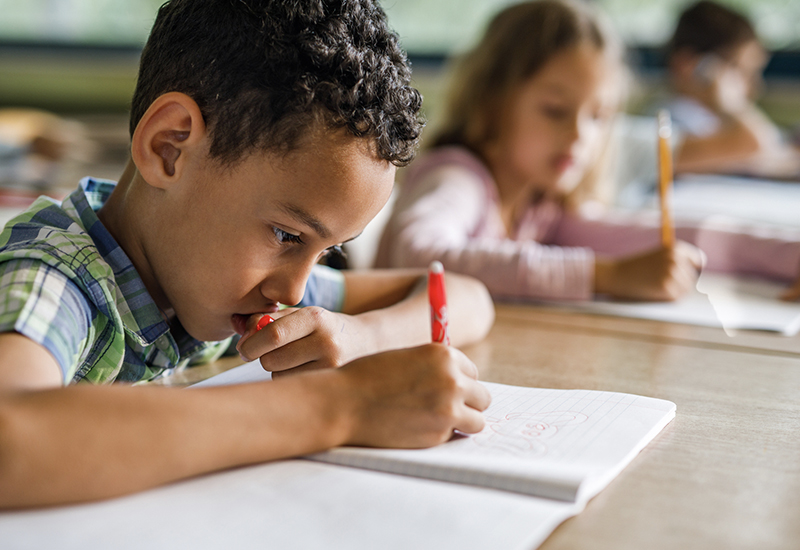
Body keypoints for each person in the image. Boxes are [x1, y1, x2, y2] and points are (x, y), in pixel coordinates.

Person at [0, 0, 496, 509]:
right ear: (170, 148)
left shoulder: (192, 276)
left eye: (329, 252)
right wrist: (343, 406)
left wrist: (364, 336)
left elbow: (466, 297)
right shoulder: (56, 276)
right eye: (287, 235)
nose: (294, 291)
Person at [374, 0, 800, 303]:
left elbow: (668, 238)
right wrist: (607, 276)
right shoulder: (457, 176)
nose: (580, 135)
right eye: (555, 110)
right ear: (492, 101)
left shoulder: (540, 204)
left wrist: (789, 257)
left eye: (599, 116)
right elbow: (420, 255)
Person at [660, 0, 800, 177]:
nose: (757, 87)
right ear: (689, 65)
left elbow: (773, 150)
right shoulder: (668, 125)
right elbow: (755, 143)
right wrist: (730, 105)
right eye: (742, 71)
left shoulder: (716, 122)